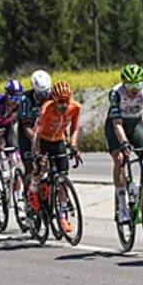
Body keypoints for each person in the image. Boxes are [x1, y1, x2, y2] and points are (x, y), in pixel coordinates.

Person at [106, 64, 143, 224]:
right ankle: (123, 207)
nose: (134, 89)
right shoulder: (116, 93)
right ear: (123, 83)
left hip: (135, 124)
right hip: (116, 126)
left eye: (137, 85)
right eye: (130, 85)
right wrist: (124, 142)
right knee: (119, 159)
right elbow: (117, 123)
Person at [32, 81, 81, 231]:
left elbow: (74, 128)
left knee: (63, 179)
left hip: (58, 141)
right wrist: (37, 154)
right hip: (43, 141)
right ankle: (34, 189)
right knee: (42, 168)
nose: (63, 105)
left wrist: (73, 146)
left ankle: (62, 216)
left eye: (66, 101)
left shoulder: (75, 107)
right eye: (60, 101)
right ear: (54, 99)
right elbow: (36, 133)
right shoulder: (47, 108)